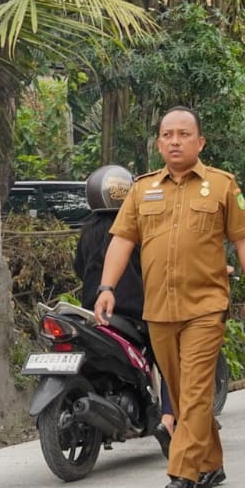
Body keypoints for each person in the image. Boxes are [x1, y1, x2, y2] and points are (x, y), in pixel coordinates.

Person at [95, 107, 245, 488]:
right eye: (167, 134)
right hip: (159, 311)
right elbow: (122, 240)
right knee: (182, 389)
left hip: (206, 306)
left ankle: (183, 474)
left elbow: (244, 240)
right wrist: (107, 287)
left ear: (200, 142)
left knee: (192, 393)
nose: (175, 140)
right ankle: (212, 463)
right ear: (158, 143)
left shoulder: (222, 186)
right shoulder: (142, 189)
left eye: (184, 134)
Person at [76, 164, 176, 440]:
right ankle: (170, 419)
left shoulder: (88, 231)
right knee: (169, 358)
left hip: (95, 311)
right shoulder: (137, 228)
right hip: (136, 312)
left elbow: (79, 267)